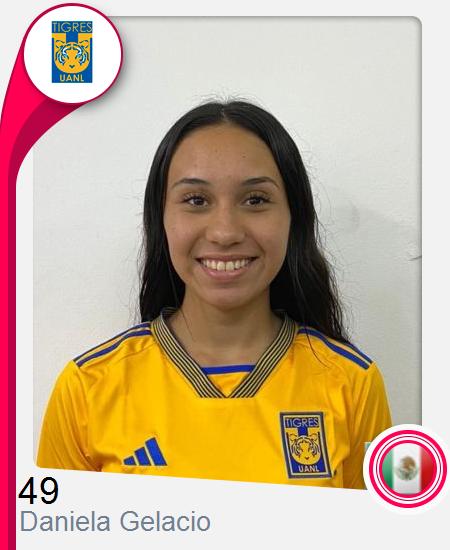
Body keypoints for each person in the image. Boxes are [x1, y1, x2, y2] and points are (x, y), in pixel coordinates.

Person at [37, 99, 392, 489]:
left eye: (255, 200)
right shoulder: (87, 387)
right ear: (160, 219)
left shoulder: (352, 383)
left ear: (294, 217)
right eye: (196, 200)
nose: (225, 232)